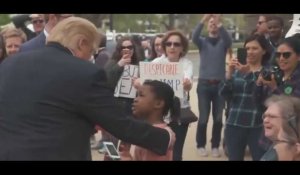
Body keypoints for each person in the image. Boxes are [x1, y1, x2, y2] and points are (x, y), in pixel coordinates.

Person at [0, 17, 173, 160]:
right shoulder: (85, 72)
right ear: (82, 43)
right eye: (92, 50)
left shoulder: (8, 65)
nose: (91, 56)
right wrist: (164, 137)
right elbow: (120, 124)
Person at [219, 34, 271, 160]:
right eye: (247, 48)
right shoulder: (237, 71)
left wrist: (247, 74)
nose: (250, 52)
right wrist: (229, 74)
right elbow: (224, 95)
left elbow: (261, 98)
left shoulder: (267, 73)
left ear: (264, 50)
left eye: (254, 48)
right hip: (235, 123)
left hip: (258, 125)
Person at [192, 14, 232, 157]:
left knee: (218, 118)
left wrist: (219, 22)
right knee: (203, 118)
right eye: (211, 22)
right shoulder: (202, 42)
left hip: (220, 85)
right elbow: (194, 36)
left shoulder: (223, 43)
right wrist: (204, 19)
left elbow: (229, 40)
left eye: (215, 22)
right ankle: (200, 144)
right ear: (207, 26)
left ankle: (215, 145)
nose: (213, 23)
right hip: (204, 85)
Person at [151, 30, 194, 161]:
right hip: (158, 114)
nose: (172, 47)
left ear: (182, 47)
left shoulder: (187, 64)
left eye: (176, 44)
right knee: (157, 151)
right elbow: (146, 85)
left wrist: (187, 84)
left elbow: (188, 82)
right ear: (164, 46)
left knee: (175, 154)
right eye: (169, 44)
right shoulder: (156, 63)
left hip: (178, 114)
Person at [119, 80, 179, 161]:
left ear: (158, 103)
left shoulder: (163, 136)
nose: (135, 99)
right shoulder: (142, 130)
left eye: (141, 95)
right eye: (137, 95)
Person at [261, 95, 300, 161]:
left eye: (272, 116)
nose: (265, 120)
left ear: (291, 121)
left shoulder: (284, 149)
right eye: (265, 116)